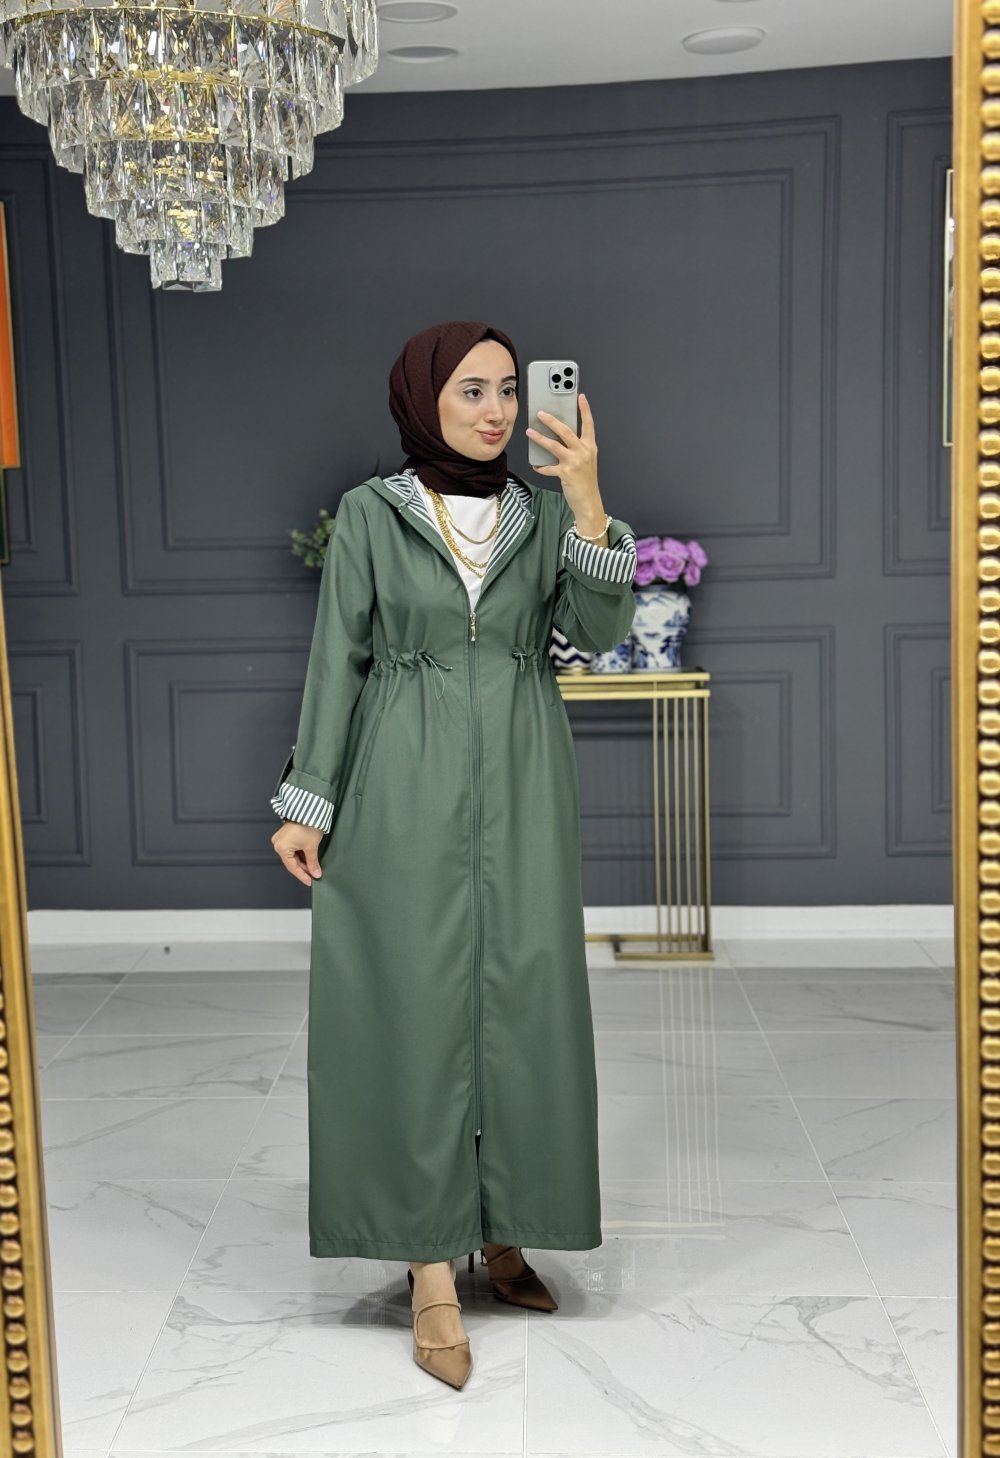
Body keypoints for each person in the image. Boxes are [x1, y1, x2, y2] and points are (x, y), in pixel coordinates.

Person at [270, 320, 637, 1390]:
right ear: (423, 397)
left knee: (523, 999)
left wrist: (586, 501)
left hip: (523, 778)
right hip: (400, 777)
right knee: (412, 1008)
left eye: (510, 390)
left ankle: (508, 1226)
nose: (497, 410)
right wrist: (307, 798)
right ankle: (430, 1258)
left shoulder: (540, 514)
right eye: (471, 389)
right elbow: (337, 659)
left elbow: (600, 632)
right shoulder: (371, 515)